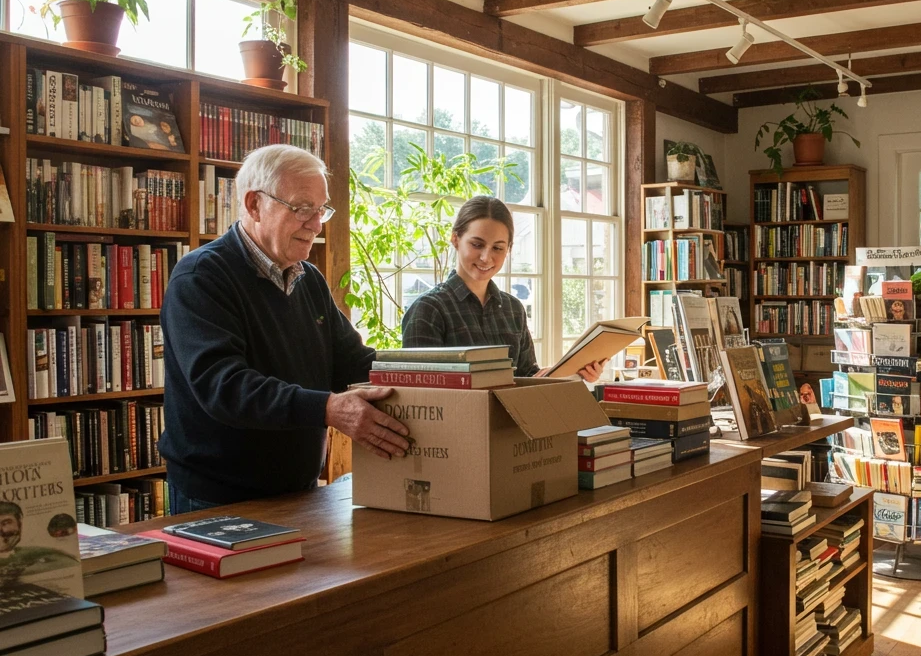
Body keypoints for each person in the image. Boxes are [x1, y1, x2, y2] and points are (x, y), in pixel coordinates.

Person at [160, 145, 410, 510]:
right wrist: (327, 409)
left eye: (321, 209)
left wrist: (432, 375)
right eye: (302, 208)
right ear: (253, 205)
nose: (317, 223)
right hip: (217, 496)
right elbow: (224, 388)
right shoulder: (201, 278)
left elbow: (353, 363)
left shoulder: (308, 279)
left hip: (300, 488)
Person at [401, 196, 604, 381]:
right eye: (477, 245)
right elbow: (422, 396)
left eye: (498, 248)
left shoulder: (513, 309)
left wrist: (572, 374)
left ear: (508, 249)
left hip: (511, 422)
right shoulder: (428, 311)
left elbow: (527, 379)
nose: (486, 257)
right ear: (455, 239)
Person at [0, 502, 78, 583]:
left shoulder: (41, 552)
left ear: (20, 524)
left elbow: (71, 564)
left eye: (6, 523)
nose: (2, 530)